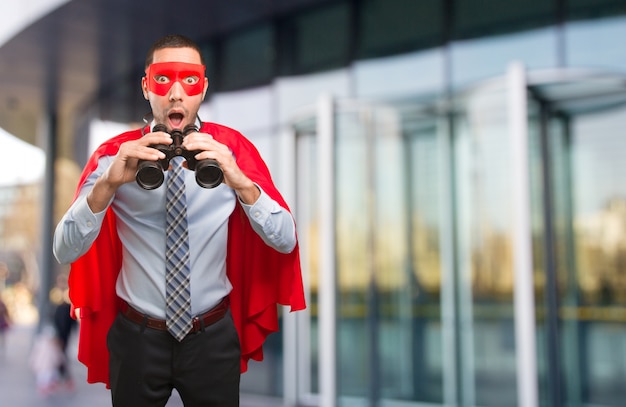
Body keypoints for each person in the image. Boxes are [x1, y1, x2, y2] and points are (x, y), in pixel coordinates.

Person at [53, 34, 305, 407]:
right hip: (137, 337)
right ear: (145, 86)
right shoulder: (113, 158)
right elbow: (63, 249)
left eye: (188, 80)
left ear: (202, 87)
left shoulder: (230, 151)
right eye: (162, 79)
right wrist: (107, 186)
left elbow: (285, 239)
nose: (175, 93)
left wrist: (240, 181)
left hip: (211, 336)